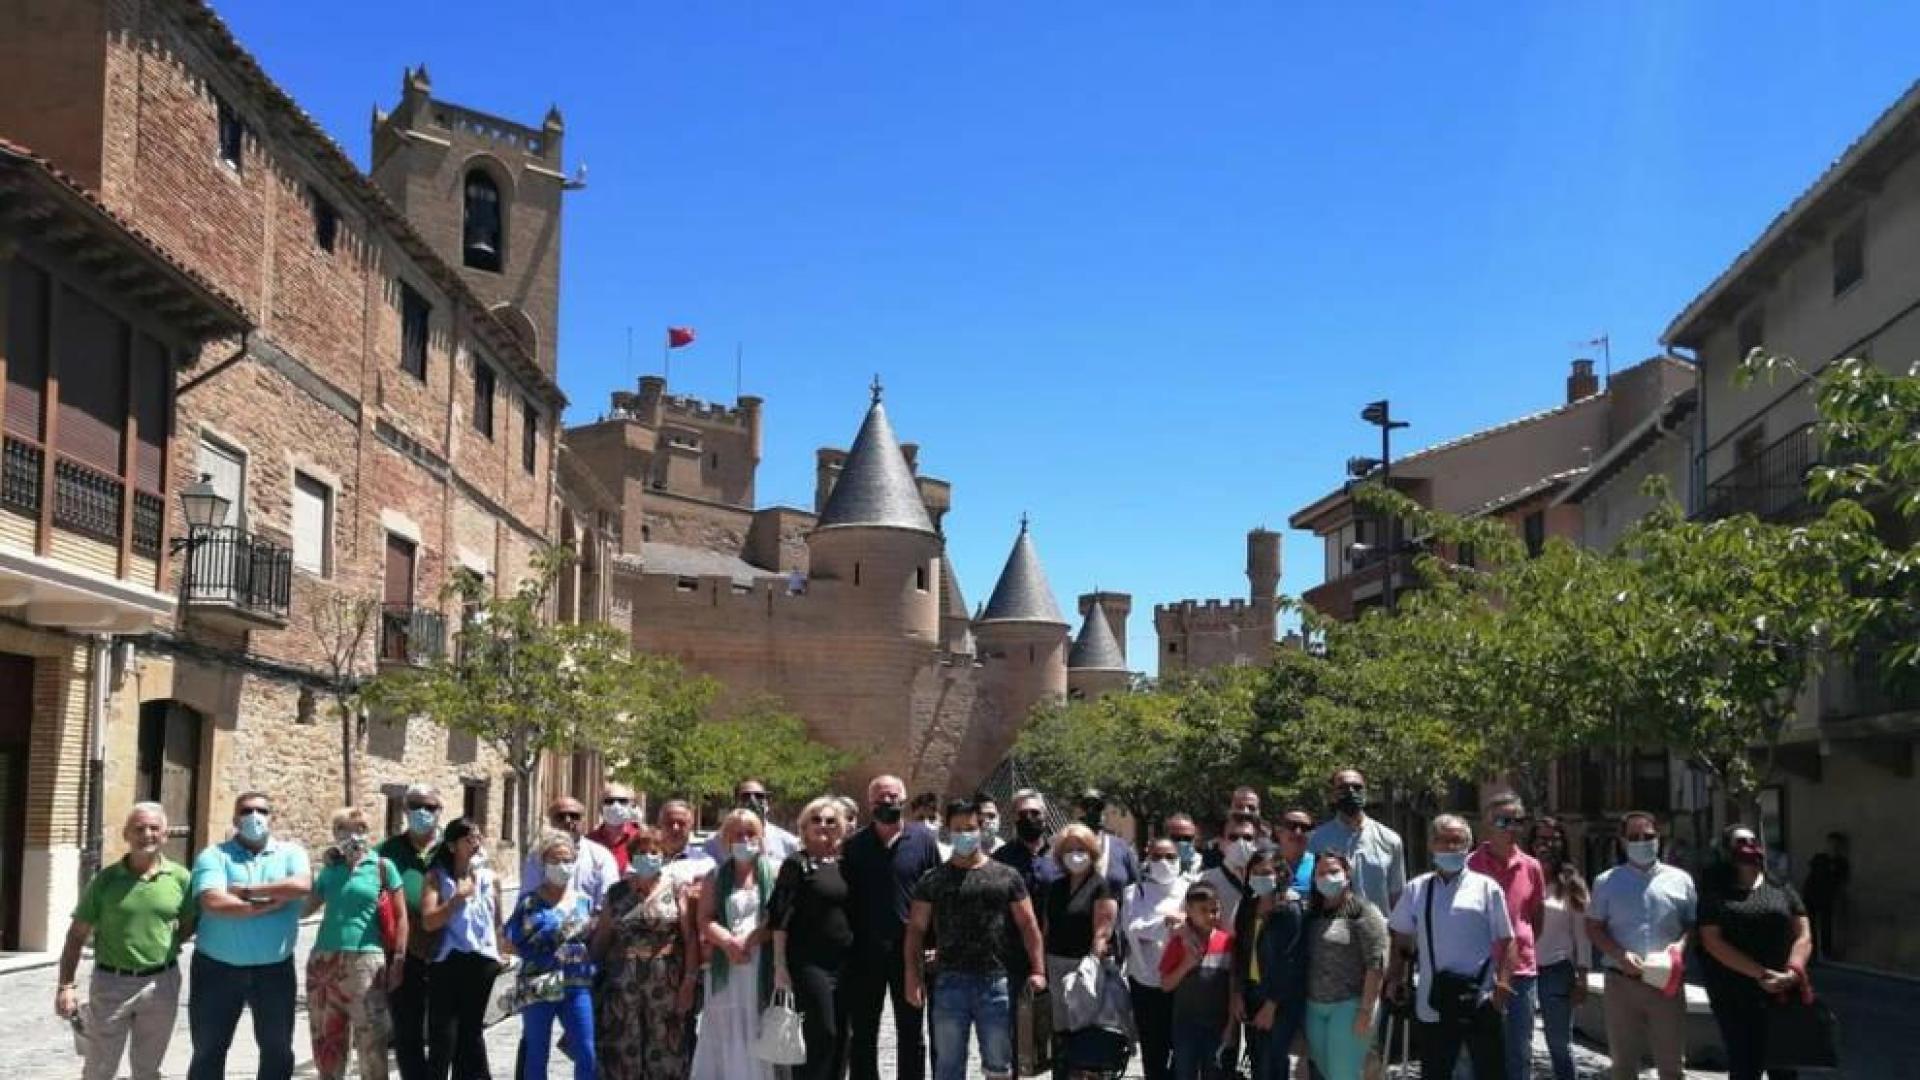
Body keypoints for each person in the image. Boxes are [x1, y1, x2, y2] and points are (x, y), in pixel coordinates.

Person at [905, 798, 1048, 1080]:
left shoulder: (1006, 876)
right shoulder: (933, 879)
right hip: (948, 983)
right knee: (947, 1065)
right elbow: (916, 930)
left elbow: (1028, 925)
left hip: (995, 983)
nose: (964, 835)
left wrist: (1038, 970)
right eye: (958, 829)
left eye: (970, 828)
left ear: (981, 829)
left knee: (999, 1065)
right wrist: (913, 975)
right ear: (948, 830)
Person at [55, 803, 194, 1080]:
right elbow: (76, 936)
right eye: (139, 828)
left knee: (148, 1069)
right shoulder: (106, 881)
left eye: (155, 828)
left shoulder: (180, 878)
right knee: (98, 1069)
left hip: (161, 985)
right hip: (111, 985)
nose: (147, 834)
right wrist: (66, 986)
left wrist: (170, 943)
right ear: (126, 835)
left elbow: (190, 921)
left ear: (165, 835)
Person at [187, 790, 312, 1080]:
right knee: (208, 1049)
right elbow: (213, 901)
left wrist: (245, 892)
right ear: (235, 818)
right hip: (217, 969)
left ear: (272, 818)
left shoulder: (292, 853)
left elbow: (302, 885)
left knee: (277, 1049)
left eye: (261, 811)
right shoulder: (214, 855)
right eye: (246, 811)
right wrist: (268, 905)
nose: (254, 817)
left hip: (274, 970)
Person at [1386, 814, 1514, 1080]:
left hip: (1481, 999)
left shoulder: (1487, 888)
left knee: (1492, 1072)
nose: (1450, 847)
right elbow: (1400, 938)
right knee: (1436, 1072)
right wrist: (1395, 978)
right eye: (1442, 841)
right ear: (1431, 845)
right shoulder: (1417, 889)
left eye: (1457, 841)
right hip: (1434, 1002)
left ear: (1468, 845)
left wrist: (1502, 987)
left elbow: (1507, 939)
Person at [843, 773, 943, 1080]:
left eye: (892, 797)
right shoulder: (855, 845)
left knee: (911, 1032)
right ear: (869, 804)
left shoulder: (924, 841)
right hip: (865, 952)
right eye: (879, 798)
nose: (886, 802)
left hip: (910, 954)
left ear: (903, 799)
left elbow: (937, 895)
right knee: (863, 1032)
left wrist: (936, 945)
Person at [1588, 811, 1697, 1080]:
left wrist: (1680, 949)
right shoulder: (1606, 882)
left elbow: (1691, 925)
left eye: (1648, 836)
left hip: (1667, 985)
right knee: (1623, 1067)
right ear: (1623, 842)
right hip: (1621, 983)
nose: (1642, 842)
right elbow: (1593, 927)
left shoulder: (1681, 880)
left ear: (1659, 838)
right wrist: (1619, 954)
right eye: (1634, 837)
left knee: (1672, 1068)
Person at [1699, 824, 1813, 1080]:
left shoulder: (1780, 886)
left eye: (1753, 840)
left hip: (1783, 991)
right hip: (1735, 994)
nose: (1749, 846)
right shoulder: (1715, 891)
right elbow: (1712, 941)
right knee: (1745, 1065)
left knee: (1784, 1067)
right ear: (1727, 851)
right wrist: (1761, 974)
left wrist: (1793, 971)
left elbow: (1803, 932)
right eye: (1741, 842)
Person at [304, 808, 405, 1080]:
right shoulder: (330, 869)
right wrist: (313, 872)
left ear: (367, 834)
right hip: (324, 960)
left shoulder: (383, 867)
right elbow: (306, 909)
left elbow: (401, 916)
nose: (352, 835)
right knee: (327, 1041)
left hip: (366, 960)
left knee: (371, 1040)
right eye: (344, 830)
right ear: (335, 834)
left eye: (358, 829)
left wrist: (399, 959)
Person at [591, 824, 697, 1080]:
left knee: (665, 1048)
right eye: (641, 852)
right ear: (631, 855)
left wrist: (689, 983)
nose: (648, 857)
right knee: (622, 1049)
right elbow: (603, 938)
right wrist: (586, 975)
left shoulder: (677, 889)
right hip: (623, 984)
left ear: (663, 856)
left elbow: (690, 938)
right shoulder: (617, 893)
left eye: (654, 852)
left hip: (665, 983)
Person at [771, 796, 857, 1080]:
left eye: (831, 821)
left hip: (846, 962)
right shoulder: (797, 864)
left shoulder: (848, 863)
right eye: (816, 820)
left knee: (843, 1035)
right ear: (804, 827)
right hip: (810, 963)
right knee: (822, 1032)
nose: (823, 826)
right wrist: (780, 965)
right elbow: (780, 918)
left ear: (842, 827)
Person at [692, 809, 780, 1080]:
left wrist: (750, 940)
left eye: (750, 833)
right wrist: (728, 942)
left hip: (760, 962)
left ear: (760, 836)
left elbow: (779, 918)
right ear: (726, 840)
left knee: (756, 1025)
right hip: (726, 965)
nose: (744, 839)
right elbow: (705, 918)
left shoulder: (775, 873)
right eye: (737, 835)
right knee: (726, 1027)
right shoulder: (716, 877)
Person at [508, 830, 598, 1080]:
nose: (563, 866)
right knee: (536, 1053)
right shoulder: (529, 903)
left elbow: (593, 940)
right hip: (538, 982)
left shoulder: (584, 902)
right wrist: (542, 953)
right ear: (544, 863)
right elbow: (510, 940)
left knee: (586, 1050)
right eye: (556, 860)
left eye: (568, 860)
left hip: (577, 984)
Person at [1468, 793, 1545, 1080]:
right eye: (1504, 821)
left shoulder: (1532, 867)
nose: (1512, 827)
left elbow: (1535, 919)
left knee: (1519, 1051)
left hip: (1522, 973)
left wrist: (1518, 947)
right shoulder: (1469, 865)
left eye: (1518, 821)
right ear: (1487, 826)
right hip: (1479, 972)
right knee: (1478, 1049)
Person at [421, 817, 504, 1080]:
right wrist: (457, 899)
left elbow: (497, 922)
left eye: (478, 837)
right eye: (468, 838)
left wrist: (502, 952)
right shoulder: (437, 877)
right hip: (448, 960)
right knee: (444, 1033)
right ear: (452, 845)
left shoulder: (490, 879)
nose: (475, 843)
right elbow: (429, 920)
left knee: (471, 1032)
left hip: (482, 961)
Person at [377, 783, 444, 1080]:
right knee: (407, 1033)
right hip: (403, 954)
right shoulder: (386, 851)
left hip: (448, 955)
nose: (423, 812)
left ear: (440, 811)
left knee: (446, 1034)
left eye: (430, 807)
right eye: (415, 806)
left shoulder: (452, 850)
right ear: (404, 810)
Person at [1042, 823, 1119, 1076]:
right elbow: (1047, 927)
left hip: (1084, 968)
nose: (1076, 854)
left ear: (1092, 852)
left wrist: (1090, 967)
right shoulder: (1055, 887)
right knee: (1060, 1038)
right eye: (1070, 849)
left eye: (1081, 848)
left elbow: (1103, 932)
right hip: (1055, 966)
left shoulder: (1101, 885)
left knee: (1085, 1037)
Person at [1302, 852, 1386, 1080]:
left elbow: (1376, 963)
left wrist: (1366, 1010)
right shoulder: (1311, 913)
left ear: (1347, 874)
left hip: (1351, 1005)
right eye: (1321, 873)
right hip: (1315, 1006)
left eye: (1333, 871)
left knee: (1343, 1074)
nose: (1327, 877)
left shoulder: (1364, 911)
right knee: (1328, 1071)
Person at [1249, 810, 1316, 1080]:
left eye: (1268, 873)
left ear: (1280, 874)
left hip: (1279, 1000)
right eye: (1256, 873)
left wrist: (1272, 1004)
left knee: (1275, 1065)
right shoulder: (1249, 907)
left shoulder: (1289, 909)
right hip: (1254, 993)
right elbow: (1245, 953)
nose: (1263, 877)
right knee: (1259, 1064)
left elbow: (1290, 960)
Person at [1528, 816, 1591, 1080]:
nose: (1547, 845)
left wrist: (1582, 977)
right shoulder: (1520, 878)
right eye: (1541, 839)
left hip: (1557, 971)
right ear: (1531, 843)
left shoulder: (1571, 885)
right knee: (1519, 1043)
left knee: (1559, 1045)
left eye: (1554, 839)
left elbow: (1582, 935)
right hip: (1521, 971)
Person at [1124, 835, 1191, 1080]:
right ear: (1148, 859)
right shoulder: (1134, 892)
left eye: (1170, 856)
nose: (1164, 862)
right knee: (1153, 1051)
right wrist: (1165, 923)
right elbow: (1133, 929)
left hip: (1182, 980)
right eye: (1157, 856)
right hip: (1144, 981)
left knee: (1183, 1049)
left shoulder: (1189, 889)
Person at [1159, 882, 1237, 1079]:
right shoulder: (1179, 943)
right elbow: (1166, 984)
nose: (1211, 916)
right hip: (1186, 1026)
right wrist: (1186, 965)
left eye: (1215, 910)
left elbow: (1233, 987)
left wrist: (1231, 1025)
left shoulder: (1227, 942)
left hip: (1217, 1026)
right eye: (1204, 910)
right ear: (1189, 911)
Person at [1308, 768, 1407, 915]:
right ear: (1333, 795)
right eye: (1343, 788)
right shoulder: (1316, 840)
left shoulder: (1390, 840)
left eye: (1357, 787)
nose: (1351, 792)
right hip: (1331, 930)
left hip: (1376, 932)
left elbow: (1397, 896)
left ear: (1366, 792)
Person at [523, 796, 619, 909]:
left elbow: (609, 900)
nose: (567, 821)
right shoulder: (537, 857)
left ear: (584, 821)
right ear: (550, 821)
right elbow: (528, 896)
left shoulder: (601, 856)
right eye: (560, 817)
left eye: (574, 816)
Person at [703, 778, 800, 863]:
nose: (752, 801)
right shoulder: (714, 843)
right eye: (745, 796)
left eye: (759, 796)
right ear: (736, 803)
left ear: (767, 803)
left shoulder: (789, 843)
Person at [1199, 813, 1262, 929]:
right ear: (1221, 843)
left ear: (1257, 844)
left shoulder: (1268, 881)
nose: (1241, 843)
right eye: (1233, 837)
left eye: (1248, 838)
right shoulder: (1205, 880)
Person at [1077, 789, 1141, 892]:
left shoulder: (1120, 846)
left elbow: (1135, 887)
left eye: (1097, 807)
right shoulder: (1067, 844)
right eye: (1087, 807)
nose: (1092, 811)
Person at [1801, 831, 1849, 962]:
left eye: (1835, 845)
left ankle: (1827, 953)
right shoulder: (1819, 858)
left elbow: (1840, 881)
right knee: (1811, 926)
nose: (1832, 847)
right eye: (1830, 844)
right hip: (1811, 896)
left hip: (1826, 898)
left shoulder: (1841, 863)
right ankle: (1813, 953)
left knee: (1826, 926)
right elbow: (1812, 875)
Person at [1200, 788, 1264, 871]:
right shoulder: (1211, 851)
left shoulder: (1269, 852)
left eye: (1251, 808)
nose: (1245, 811)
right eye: (1239, 807)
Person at [590, 781, 644, 875]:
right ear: (600, 807)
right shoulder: (589, 842)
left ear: (631, 806)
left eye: (622, 801)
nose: (616, 805)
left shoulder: (641, 838)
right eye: (609, 801)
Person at [1165, 814, 1203, 879]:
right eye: (1176, 838)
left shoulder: (1205, 867)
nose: (1181, 843)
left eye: (1187, 838)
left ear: (1195, 838)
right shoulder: (1152, 866)